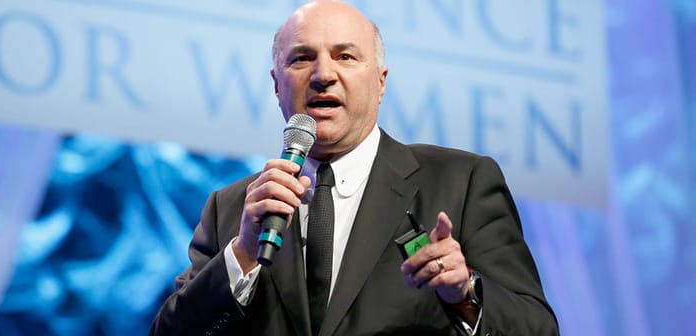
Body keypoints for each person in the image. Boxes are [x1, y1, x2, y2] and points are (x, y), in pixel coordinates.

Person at [151, 1, 558, 335]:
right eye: (302, 58)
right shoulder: (233, 208)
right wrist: (241, 254)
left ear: (380, 83)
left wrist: (466, 293)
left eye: (345, 56)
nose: (323, 75)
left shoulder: (462, 182)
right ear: (276, 85)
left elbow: (538, 329)